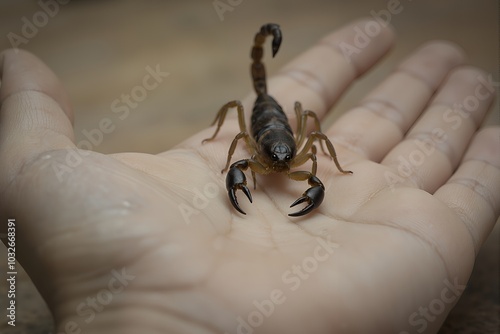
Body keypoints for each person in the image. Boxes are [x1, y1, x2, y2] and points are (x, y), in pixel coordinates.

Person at [0, 19, 498, 334]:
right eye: (275, 163)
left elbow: (315, 140)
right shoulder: (253, 150)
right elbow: (240, 149)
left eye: (286, 163)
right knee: (243, 113)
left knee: (302, 128)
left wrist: (333, 169)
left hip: (282, 121)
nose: (281, 170)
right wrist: (231, 152)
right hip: (263, 114)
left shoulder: (295, 153)